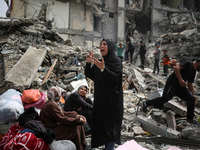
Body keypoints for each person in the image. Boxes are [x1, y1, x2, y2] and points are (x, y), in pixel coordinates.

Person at [85, 39, 123, 150]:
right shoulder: (100, 61)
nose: (102, 46)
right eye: (101, 44)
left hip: (112, 102)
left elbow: (116, 79)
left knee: (110, 128)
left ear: (110, 47)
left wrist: (103, 69)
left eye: (105, 44)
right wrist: (88, 63)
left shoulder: (116, 61)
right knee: (100, 125)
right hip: (100, 100)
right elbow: (90, 75)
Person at [142, 59, 200, 125]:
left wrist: (192, 94)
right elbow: (176, 68)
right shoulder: (188, 63)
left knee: (191, 99)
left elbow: (190, 83)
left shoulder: (193, 71)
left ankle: (190, 118)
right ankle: (146, 103)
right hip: (172, 84)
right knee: (165, 99)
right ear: (198, 62)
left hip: (181, 87)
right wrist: (180, 79)